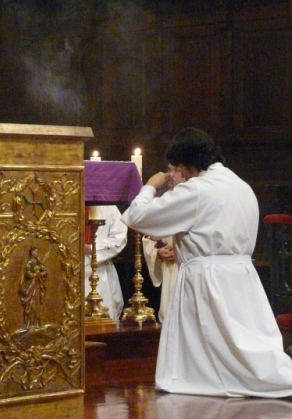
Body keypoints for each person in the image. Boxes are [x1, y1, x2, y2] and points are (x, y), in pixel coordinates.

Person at [121, 127, 292, 398]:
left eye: (178, 168)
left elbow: (139, 217)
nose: (178, 175)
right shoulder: (242, 186)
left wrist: (150, 186)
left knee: (208, 361)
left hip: (207, 280)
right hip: (242, 277)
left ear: (188, 164)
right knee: (245, 348)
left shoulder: (198, 190)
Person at [142, 164, 185, 323]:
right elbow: (148, 236)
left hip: (187, 267)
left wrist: (181, 250)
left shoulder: (197, 198)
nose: (170, 175)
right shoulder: (162, 201)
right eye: (169, 169)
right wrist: (158, 252)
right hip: (170, 268)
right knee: (169, 316)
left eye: (176, 170)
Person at [85, 205, 127, 321]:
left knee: (102, 321)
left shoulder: (108, 204)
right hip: (67, 266)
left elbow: (119, 238)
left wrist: (92, 248)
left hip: (99, 268)